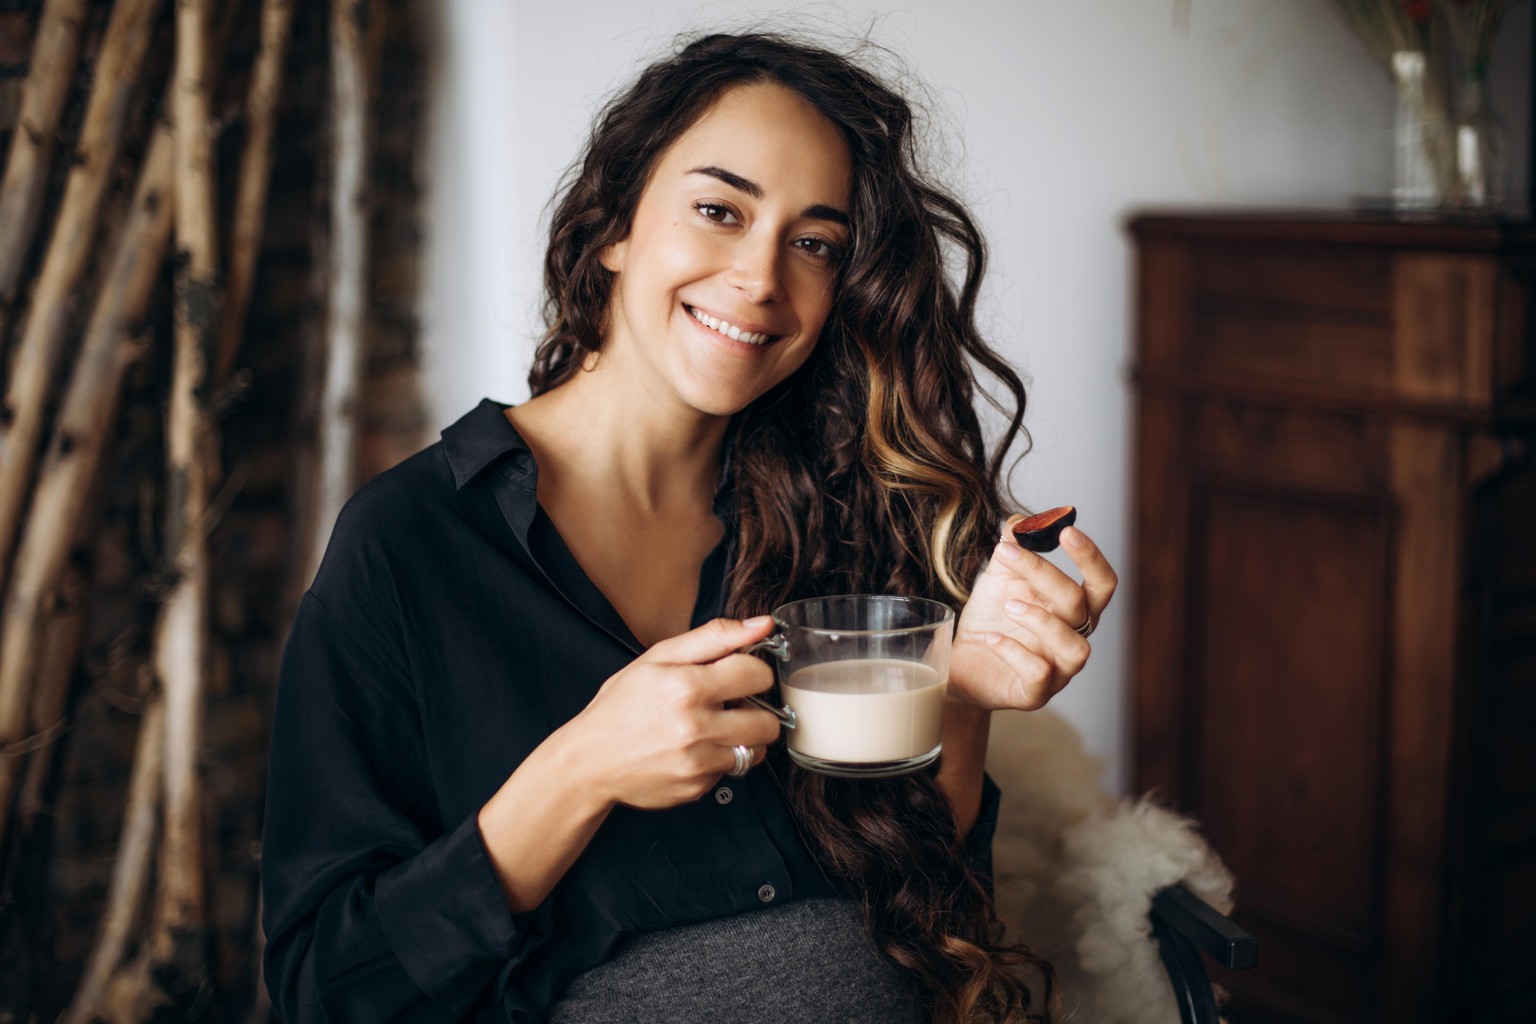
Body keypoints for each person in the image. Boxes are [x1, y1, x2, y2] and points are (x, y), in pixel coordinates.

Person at [262, 31, 1117, 1024]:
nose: (761, 278)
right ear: (615, 223)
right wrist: (580, 768)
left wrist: (963, 693)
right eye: (719, 210)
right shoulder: (408, 544)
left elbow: (931, 897)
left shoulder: (848, 510)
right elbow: (325, 987)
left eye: (815, 243)